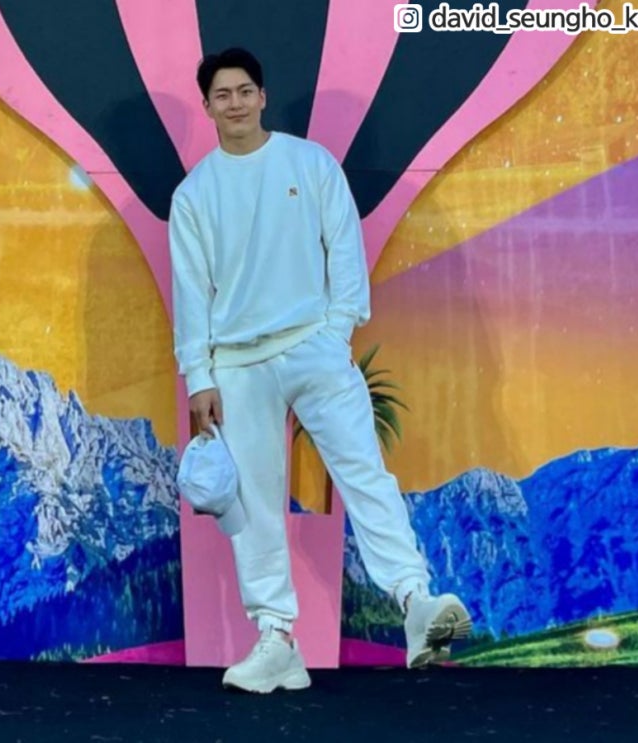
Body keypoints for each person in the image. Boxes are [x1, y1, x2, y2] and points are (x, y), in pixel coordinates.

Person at [169, 47, 471, 693]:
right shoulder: (193, 195)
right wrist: (200, 377)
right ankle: (276, 637)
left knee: (363, 470)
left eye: (244, 91)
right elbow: (190, 291)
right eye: (222, 95)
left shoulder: (309, 163)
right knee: (253, 503)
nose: (234, 103)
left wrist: (335, 333)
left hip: (314, 346)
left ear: (262, 96)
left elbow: (345, 249)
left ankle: (414, 601)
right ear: (207, 106)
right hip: (236, 364)